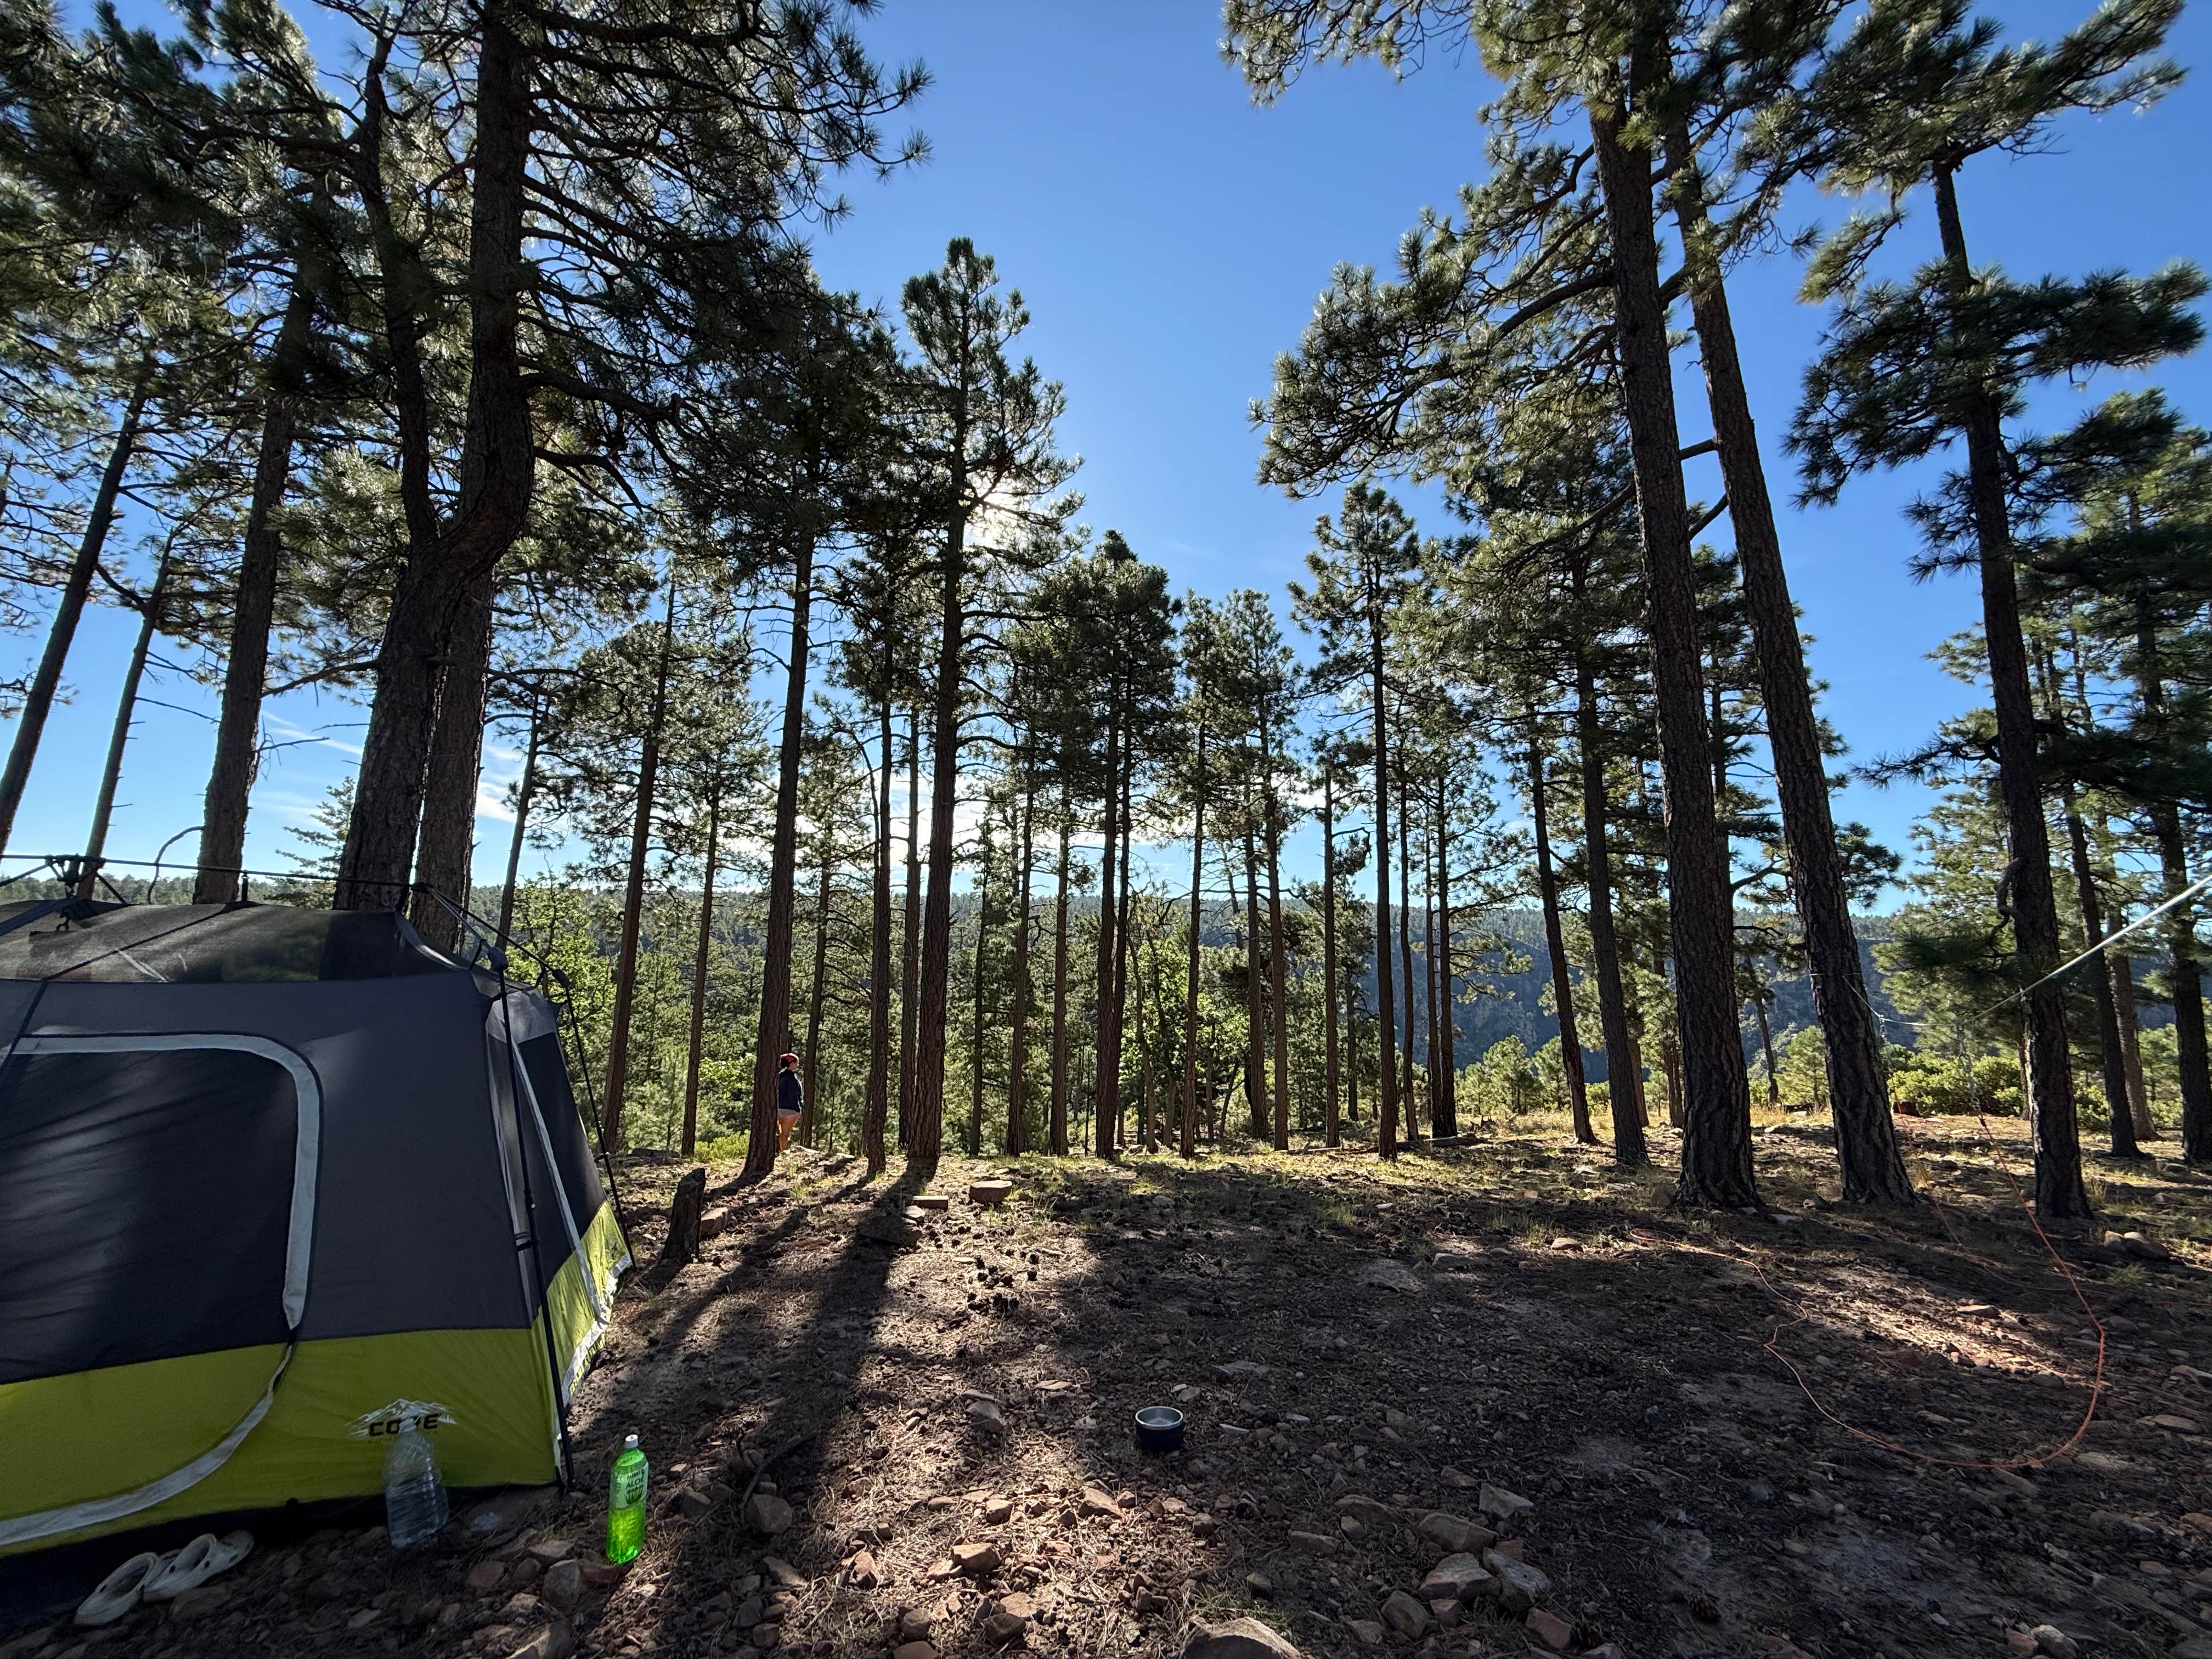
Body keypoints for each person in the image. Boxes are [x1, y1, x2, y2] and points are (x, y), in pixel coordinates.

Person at [776, 1052, 802, 1153]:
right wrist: (798, 1110)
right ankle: (783, 1152)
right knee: (785, 1135)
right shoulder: (791, 1078)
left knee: (780, 1133)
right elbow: (793, 1096)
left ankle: (777, 1151)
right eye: (797, 1063)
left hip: (779, 1108)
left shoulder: (780, 1076)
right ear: (791, 1064)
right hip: (790, 1111)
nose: (798, 1065)